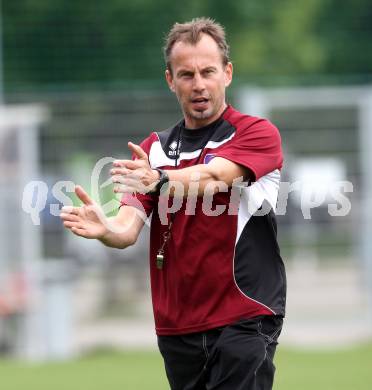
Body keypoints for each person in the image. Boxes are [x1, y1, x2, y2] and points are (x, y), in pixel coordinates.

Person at [60, 17, 286, 390]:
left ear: (227, 73)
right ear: (170, 80)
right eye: (186, 74)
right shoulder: (154, 150)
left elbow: (215, 177)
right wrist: (105, 228)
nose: (198, 84)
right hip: (177, 326)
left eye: (208, 71)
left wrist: (161, 180)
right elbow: (127, 228)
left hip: (244, 317)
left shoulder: (256, 133)